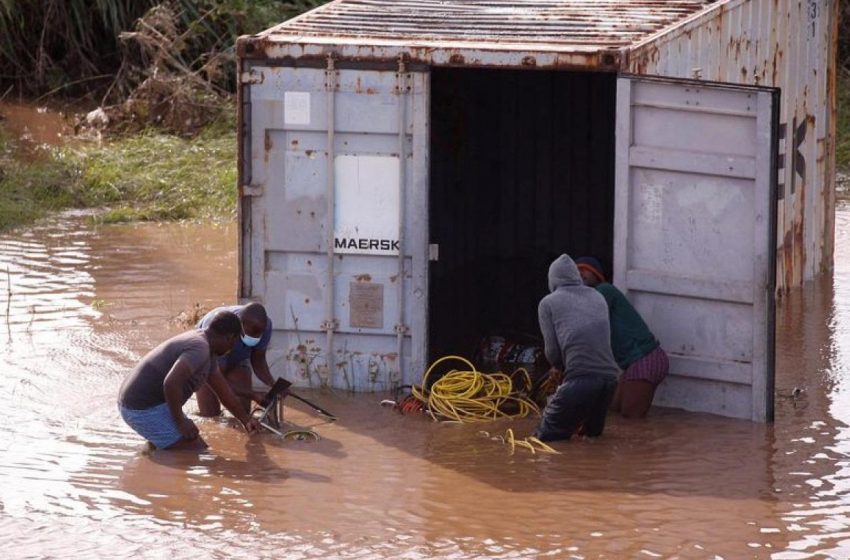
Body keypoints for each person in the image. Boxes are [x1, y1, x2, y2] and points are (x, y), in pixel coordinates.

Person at [117, 310, 259, 450]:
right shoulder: (199, 348)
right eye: (234, 343)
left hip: (148, 403)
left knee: (185, 447)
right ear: (230, 338)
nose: (232, 348)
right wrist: (180, 421)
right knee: (195, 452)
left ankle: (152, 455)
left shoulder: (207, 349)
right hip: (141, 408)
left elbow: (223, 392)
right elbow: (171, 383)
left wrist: (245, 420)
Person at [533, 254, 619, 442]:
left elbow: (553, 352)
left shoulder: (548, 303)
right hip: (610, 381)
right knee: (591, 439)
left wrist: (557, 367)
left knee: (543, 439)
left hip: (581, 380)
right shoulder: (598, 297)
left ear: (552, 280)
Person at [575, 256, 670, 418]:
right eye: (576, 271)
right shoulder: (592, 298)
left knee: (630, 420)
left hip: (644, 359)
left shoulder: (604, 290)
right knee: (614, 411)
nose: (580, 273)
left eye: (585, 269)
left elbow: (586, 321)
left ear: (597, 274)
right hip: (633, 363)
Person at [195, 302, 275, 417]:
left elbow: (258, 360)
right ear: (239, 326)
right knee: (210, 416)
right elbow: (218, 381)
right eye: (251, 333)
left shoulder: (265, 326)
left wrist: (273, 384)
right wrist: (252, 395)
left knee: (243, 411)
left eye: (258, 334)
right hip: (208, 362)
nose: (255, 337)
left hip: (238, 359)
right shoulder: (221, 328)